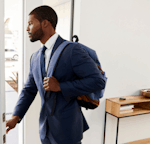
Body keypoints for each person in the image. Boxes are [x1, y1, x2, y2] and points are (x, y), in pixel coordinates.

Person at [6, 5, 106, 144]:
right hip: (45, 130)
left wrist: (61, 86)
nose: (27, 28)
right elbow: (29, 90)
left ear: (45, 23)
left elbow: (98, 81)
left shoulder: (72, 50)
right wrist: (15, 117)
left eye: (30, 23)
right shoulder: (35, 58)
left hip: (68, 131)